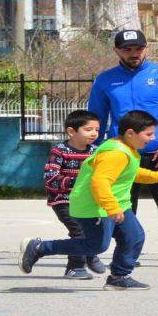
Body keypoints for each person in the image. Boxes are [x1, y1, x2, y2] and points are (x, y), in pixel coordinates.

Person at [19, 110, 158, 290]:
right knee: (95, 245)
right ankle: (40, 247)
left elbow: (130, 172)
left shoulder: (126, 149)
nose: (153, 138)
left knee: (134, 236)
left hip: (116, 204)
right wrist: (110, 207)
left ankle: (119, 277)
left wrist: (157, 176)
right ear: (130, 133)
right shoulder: (116, 153)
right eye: (148, 134)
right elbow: (100, 181)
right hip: (97, 206)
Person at [88, 29, 158, 268]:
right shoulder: (105, 80)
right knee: (122, 202)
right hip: (121, 152)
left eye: (138, 48)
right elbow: (97, 117)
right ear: (116, 51)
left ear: (146, 48)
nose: (133, 53)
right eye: (127, 49)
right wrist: (94, 147)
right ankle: (127, 251)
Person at [43, 110, 106, 279]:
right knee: (79, 231)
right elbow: (51, 179)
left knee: (94, 232)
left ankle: (90, 253)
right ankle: (75, 267)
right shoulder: (60, 151)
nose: (94, 133)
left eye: (97, 130)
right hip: (63, 201)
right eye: (88, 129)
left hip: (87, 202)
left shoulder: (96, 151)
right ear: (71, 131)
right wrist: (76, 183)